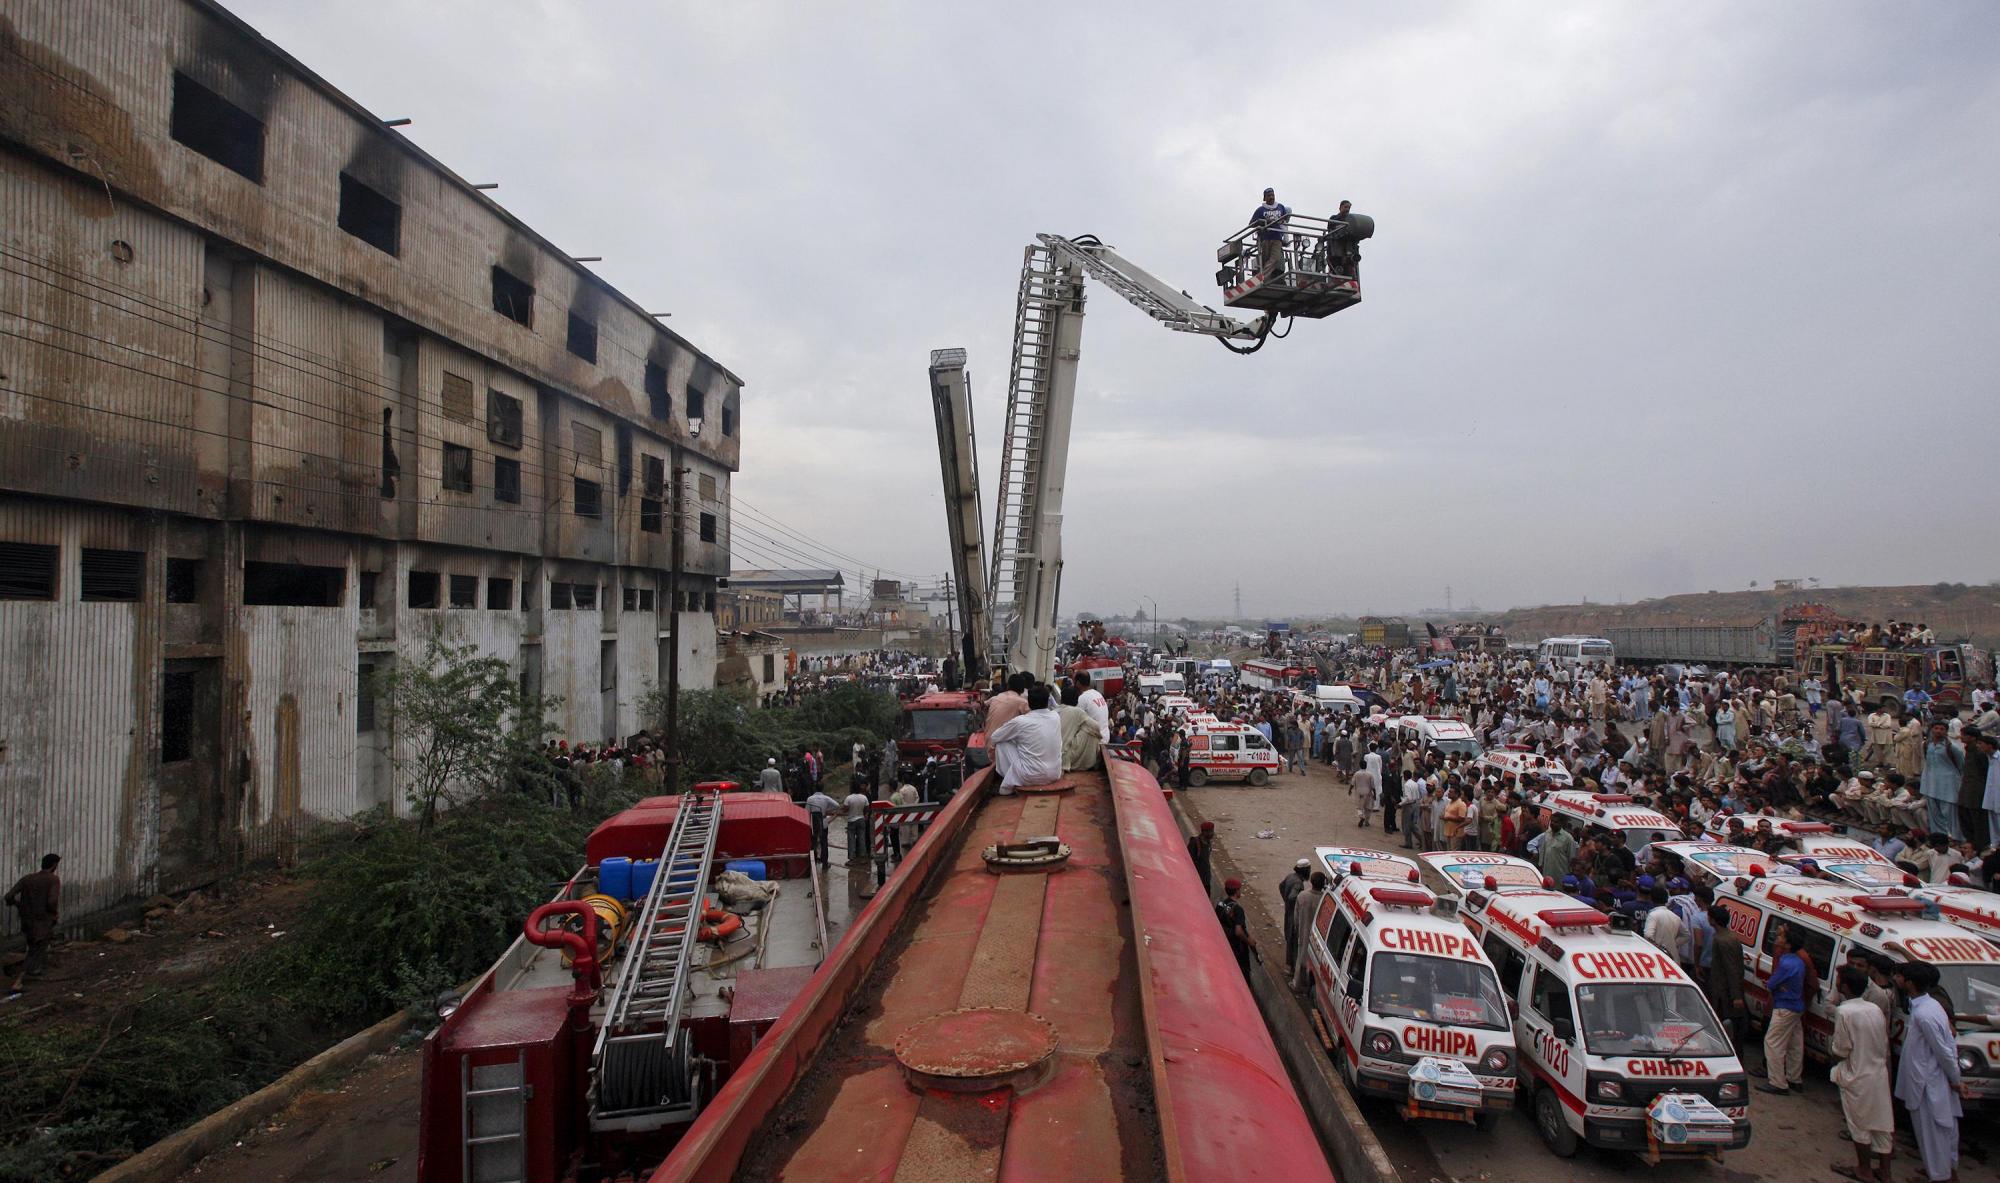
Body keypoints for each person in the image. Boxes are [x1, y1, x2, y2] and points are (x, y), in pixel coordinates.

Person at [1895, 960, 1966, 1183]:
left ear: (1910, 983)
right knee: (1941, 1136)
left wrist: (1956, 1079)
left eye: (1901, 977)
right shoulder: (1927, 1006)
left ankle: (1941, 1176)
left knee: (1933, 1136)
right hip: (1929, 1081)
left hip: (1928, 1085)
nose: (1897, 979)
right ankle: (1944, 1173)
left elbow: (1944, 1051)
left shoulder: (1926, 1013)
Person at [1829, 965, 1893, 1182]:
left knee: (1859, 1126)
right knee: (1882, 1125)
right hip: (1878, 1074)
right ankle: (1885, 1171)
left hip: (1856, 1075)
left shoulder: (1844, 1012)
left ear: (1844, 986)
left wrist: (1835, 1057)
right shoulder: (1874, 1009)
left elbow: (1841, 1048)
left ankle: (1864, 1170)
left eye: (1839, 980)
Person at [1760, 924, 1808, 1094]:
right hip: (1796, 1006)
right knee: (1795, 1044)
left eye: (1782, 937)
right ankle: (1794, 1078)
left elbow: (1772, 983)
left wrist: (1774, 986)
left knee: (1772, 1043)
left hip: (1785, 1006)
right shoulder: (1798, 961)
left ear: (1787, 945)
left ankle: (1777, 1082)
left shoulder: (1786, 963)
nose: (1778, 938)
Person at [990, 684, 1064, 794]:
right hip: (1054, 773)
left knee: (1002, 743)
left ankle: (1010, 783)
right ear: (1047, 701)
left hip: (1029, 776)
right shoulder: (1055, 716)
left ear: (1028, 702)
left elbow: (995, 737)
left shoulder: (1021, 721)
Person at [5, 854, 60, 992]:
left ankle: (34, 971)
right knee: (37, 948)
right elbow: (52, 901)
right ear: (54, 865)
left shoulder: (27, 879)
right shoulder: (53, 880)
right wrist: (53, 913)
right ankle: (22, 978)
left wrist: (19, 905)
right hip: (42, 920)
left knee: (33, 944)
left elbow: (9, 896)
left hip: (26, 919)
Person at [1705, 905, 1747, 1051]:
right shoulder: (1728, 937)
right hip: (1724, 988)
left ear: (1714, 920)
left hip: (1725, 991)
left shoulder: (1722, 940)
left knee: (1729, 1025)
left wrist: (1736, 996)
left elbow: (1731, 969)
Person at [1291, 871, 1328, 991]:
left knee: (1301, 955)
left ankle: (1297, 984)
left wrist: (1297, 927)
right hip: (1319, 934)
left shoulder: (1303, 896)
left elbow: (1296, 917)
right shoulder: (1324, 899)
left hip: (1304, 930)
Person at [1216, 878, 1253, 979]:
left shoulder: (1220, 905)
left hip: (1224, 943)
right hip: (1237, 946)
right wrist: (1249, 941)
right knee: (1243, 972)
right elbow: (1239, 932)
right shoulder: (1238, 909)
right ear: (1237, 891)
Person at [1250, 187, 1290, 278]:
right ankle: (1266, 277)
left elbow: (1284, 222)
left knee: (1275, 258)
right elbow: (1251, 224)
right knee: (1266, 259)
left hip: (1277, 237)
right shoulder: (1260, 210)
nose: (1271, 197)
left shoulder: (1280, 207)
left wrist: (1285, 237)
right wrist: (1265, 222)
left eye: (1272, 195)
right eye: (1269, 196)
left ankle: (1262, 276)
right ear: (1265, 198)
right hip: (1265, 238)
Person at [1279, 858, 1311, 969]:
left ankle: (1290, 964)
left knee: (1289, 938)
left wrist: (1286, 901)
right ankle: (1293, 967)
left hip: (1288, 912)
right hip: (1293, 915)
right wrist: (1298, 904)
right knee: (1294, 940)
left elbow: (1281, 886)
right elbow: (1292, 897)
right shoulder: (1298, 883)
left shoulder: (1290, 876)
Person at [804, 786, 839, 864]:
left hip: (813, 823)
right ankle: (825, 863)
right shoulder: (826, 798)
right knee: (824, 842)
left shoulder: (810, 799)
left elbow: (806, 811)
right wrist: (826, 809)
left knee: (813, 842)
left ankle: (813, 861)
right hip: (823, 821)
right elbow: (837, 805)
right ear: (822, 790)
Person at [841, 786, 873, 865]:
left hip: (851, 821)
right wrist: (865, 815)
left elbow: (845, 809)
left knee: (851, 840)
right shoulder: (864, 797)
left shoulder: (848, 798)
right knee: (862, 839)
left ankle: (852, 859)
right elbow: (867, 808)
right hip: (861, 819)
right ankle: (863, 858)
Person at [1187, 821, 1216, 894]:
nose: (1213, 833)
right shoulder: (1194, 843)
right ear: (1204, 832)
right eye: (1211, 831)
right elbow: (1188, 861)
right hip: (1197, 879)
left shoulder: (1208, 842)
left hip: (1206, 879)